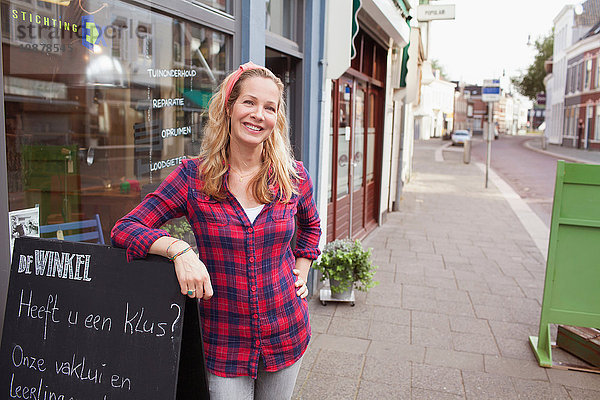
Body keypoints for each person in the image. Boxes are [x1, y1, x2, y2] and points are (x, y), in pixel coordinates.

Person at [111, 62, 321, 400]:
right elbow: (125, 228)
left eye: (269, 108)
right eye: (249, 102)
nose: (258, 115)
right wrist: (178, 250)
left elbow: (311, 226)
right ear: (230, 106)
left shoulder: (293, 177)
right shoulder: (194, 178)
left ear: (276, 119)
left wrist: (303, 268)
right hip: (223, 341)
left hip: (286, 330)